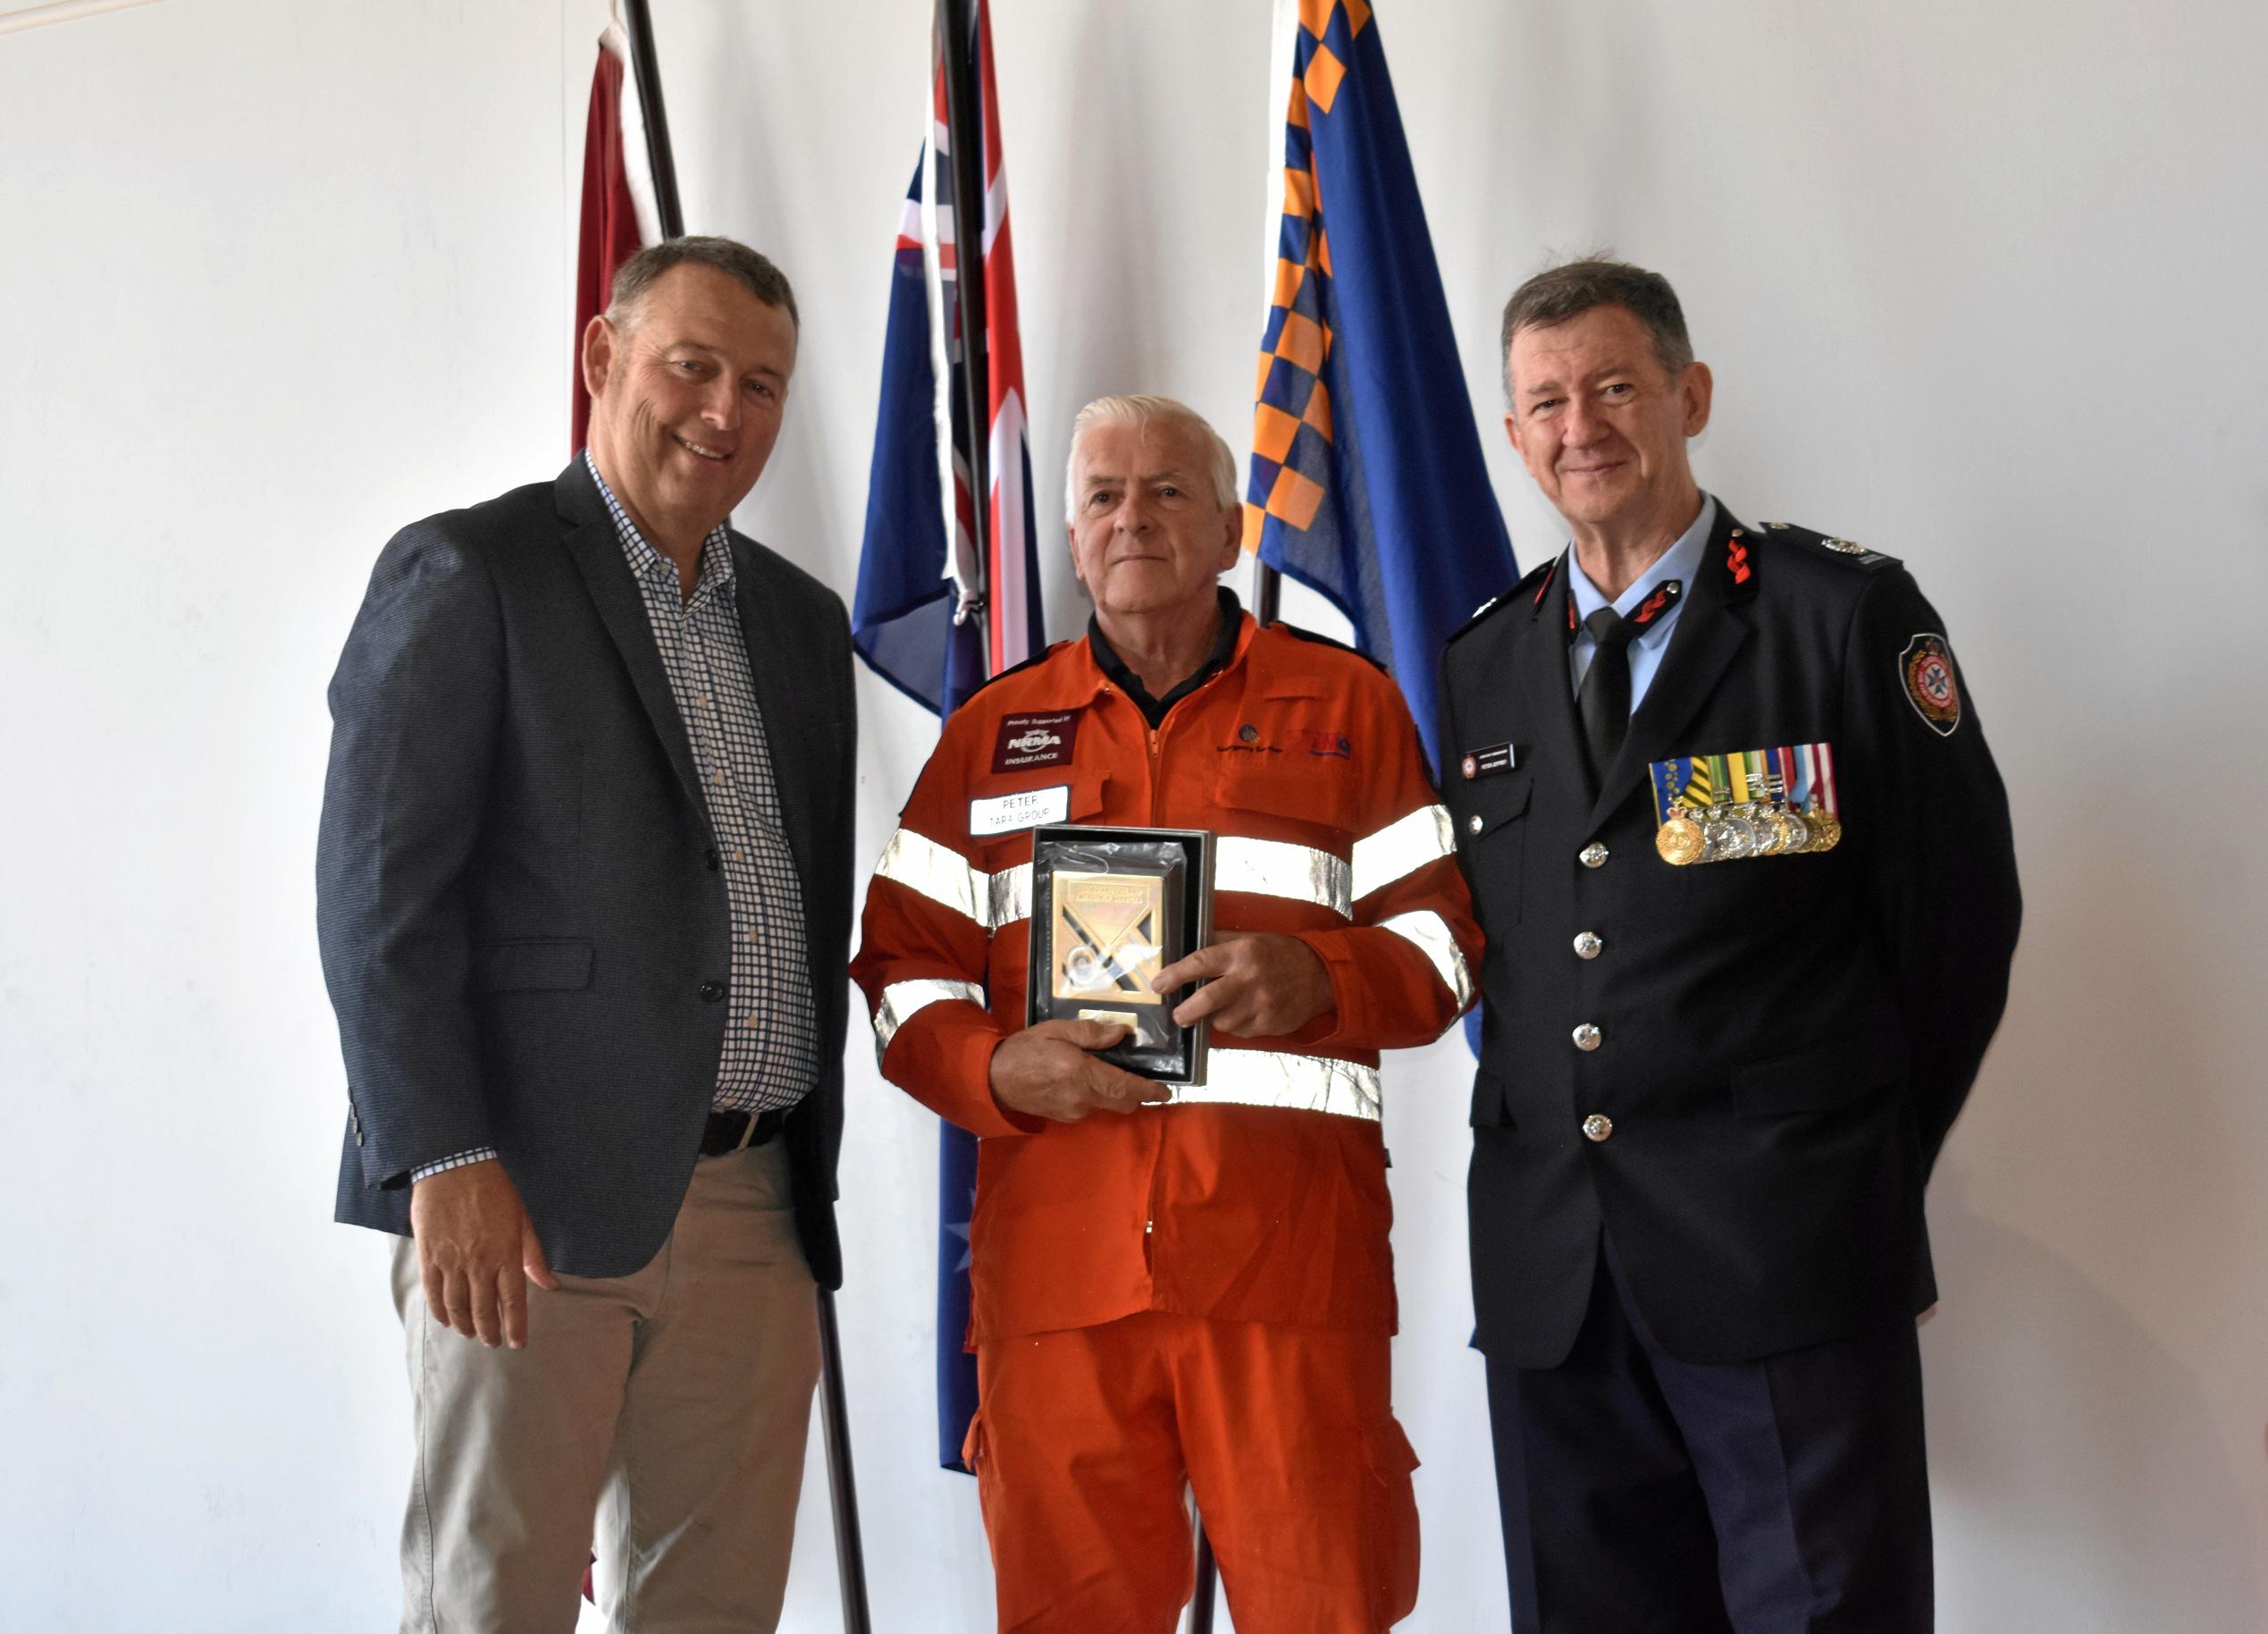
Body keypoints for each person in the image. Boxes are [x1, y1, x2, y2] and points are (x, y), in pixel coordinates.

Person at [1438, 257, 2021, 1631]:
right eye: (1544, 402)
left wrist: (1840, 1161)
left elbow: (1956, 924)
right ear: (1512, 437)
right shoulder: (1482, 659)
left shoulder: (1838, 617)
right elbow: (1511, 954)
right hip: (1552, 1282)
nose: (1579, 425)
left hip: (1785, 1253)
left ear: (1689, 396)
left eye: (1614, 386)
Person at [851, 395, 1480, 1633]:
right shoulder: (986, 739)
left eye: (1167, 491)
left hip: (1286, 1279)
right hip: (1057, 1286)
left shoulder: (1347, 708)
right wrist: (993, 1070)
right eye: (1101, 497)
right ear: (1073, 541)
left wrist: (1324, 979)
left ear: (1233, 527)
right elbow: (900, 973)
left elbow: (1447, 944)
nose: (1131, 518)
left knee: (1324, 1613)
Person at [316, 236, 855, 1633]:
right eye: (691, 365)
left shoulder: (799, 623)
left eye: (762, 383)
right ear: (603, 356)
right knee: (493, 1600)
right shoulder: (469, 570)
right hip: (529, 1206)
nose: (724, 410)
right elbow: (381, 901)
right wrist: (442, 1155)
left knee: (716, 1610)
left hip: (755, 1208)